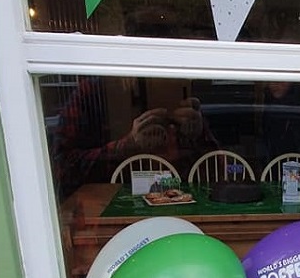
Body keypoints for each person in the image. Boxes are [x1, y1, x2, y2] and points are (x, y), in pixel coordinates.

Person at [51, 77, 219, 200]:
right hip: (116, 210)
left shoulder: (182, 91)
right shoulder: (94, 93)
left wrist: (198, 135)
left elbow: (221, 170)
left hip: (184, 205)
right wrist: (127, 145)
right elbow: (63, 169)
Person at [261, 82, 300, 166]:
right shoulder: (269, 99)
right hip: (275, 157)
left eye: (280, 81)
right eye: (270, 81)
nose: (274, 85)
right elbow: (267, 129)